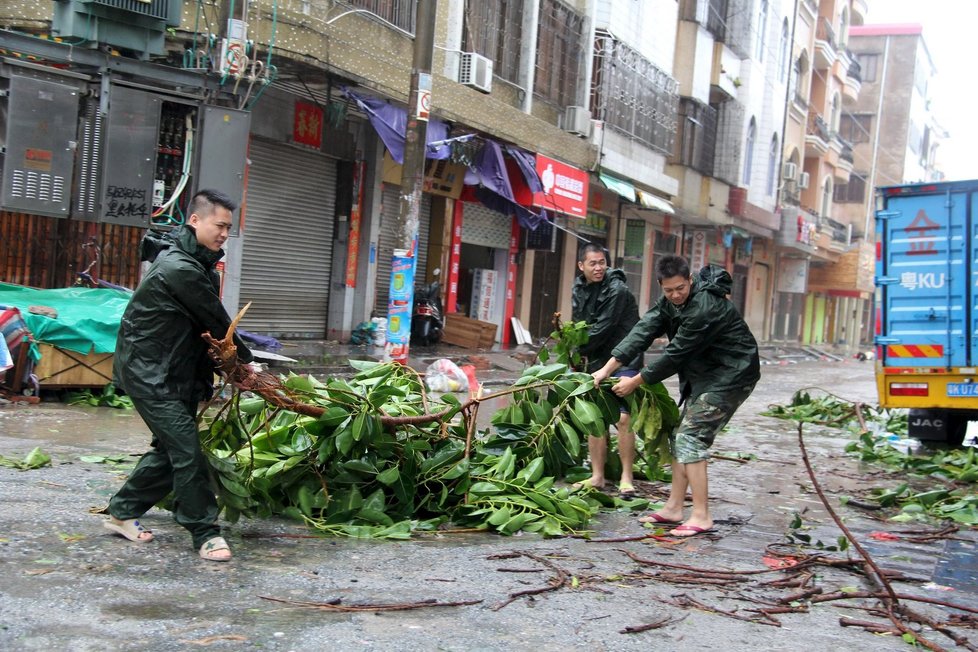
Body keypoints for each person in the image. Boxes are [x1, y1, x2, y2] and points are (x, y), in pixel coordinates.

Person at [103, 189, 253, 561]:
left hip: (173, 370)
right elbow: (216, 320)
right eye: (219, 225)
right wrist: (244, 365)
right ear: (195, 221)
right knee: (186, 449)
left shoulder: (195, 260)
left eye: (229, 228)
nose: (224, 234)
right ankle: (204, 532)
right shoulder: (180, 268)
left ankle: (122, 511)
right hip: (149, 372)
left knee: (171, 450)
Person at [591, 255, 760, 538]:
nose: (676, 295)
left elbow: (674, 355)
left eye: (681, 288)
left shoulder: (704, 307)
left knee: (690, 438)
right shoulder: (669, 303)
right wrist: (605, 370)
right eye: (669, 290)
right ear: (661, 286)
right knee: (678, 436)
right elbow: (642, 332)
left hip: (733, 375)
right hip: (705, 377)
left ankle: (702, 515)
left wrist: (634, 381)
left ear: (690, 281)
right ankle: (673, 507)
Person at [570, 243, 641, 498]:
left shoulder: (617, 290)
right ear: (582, 266)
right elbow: (579, 324)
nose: (599, 268)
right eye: (593, 263)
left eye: (602, 262)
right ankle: (598, 476)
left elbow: (601, 330)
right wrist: (575, 354)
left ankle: (626, 477)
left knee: (623, 418)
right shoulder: (579, 287)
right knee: (595, 418)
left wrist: (577, 344)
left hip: (624, 357)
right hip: (595, 359)